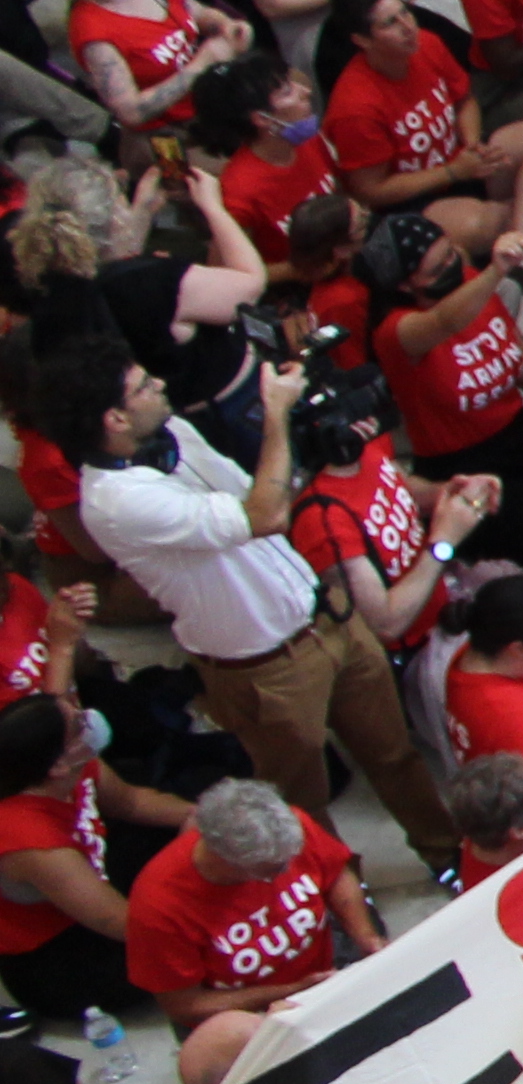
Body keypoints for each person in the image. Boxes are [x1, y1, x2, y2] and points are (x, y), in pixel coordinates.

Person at [52, 345, 455, 860]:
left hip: (326, 617)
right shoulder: (117, 502)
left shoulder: (170, 434)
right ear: (114, 418)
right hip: (265, 667)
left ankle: (447, 857)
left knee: (394, 755)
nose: (160, 385)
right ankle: (339, 899)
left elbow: (258, 489)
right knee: (303, 805)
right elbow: (262, 515)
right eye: (144, 386)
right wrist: (276, 415)